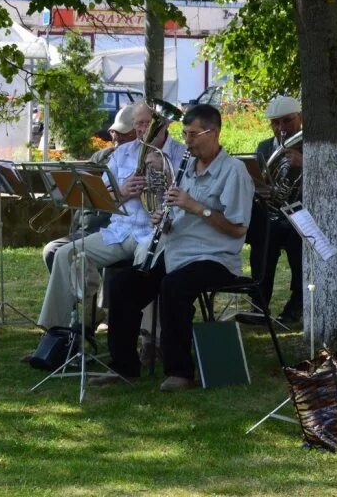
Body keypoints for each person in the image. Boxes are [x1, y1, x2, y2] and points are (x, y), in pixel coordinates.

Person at [90, 104, 254, 391]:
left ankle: (180, 371)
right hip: (178, 251)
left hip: (215, 257)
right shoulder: (188, 168)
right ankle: (124, 367)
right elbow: (180, 212)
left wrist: (195, 207)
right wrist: (164, 219)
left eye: (193, 135)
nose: (187, 142)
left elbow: (238, 227)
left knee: (173, 286)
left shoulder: (233, 171)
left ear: (213, 133)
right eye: (185, 134)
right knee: (124, 283)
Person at [26, 102, 185, 348]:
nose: (143, 130)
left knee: (147, 266)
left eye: (147, 123)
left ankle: (149, 340)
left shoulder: (181, 154)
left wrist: (164, 172)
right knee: (66, 254)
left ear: (164, 124)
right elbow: (101, 198)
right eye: (138, 124)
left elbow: (189, 197)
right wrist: (122, 192)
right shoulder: (121, 154)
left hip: (155, 232)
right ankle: (55, 336)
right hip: (120, 232)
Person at [40, 104, 138, 272]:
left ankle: (92, 295)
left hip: (113, 231)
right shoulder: (102, 156)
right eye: (115, 133)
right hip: (85, 229)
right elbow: (81, 187)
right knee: (52, 250)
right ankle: (78, 295)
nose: (117, 138)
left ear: (138, 133)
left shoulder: (142, 160)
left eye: (124, 134)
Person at [240, 95, 303, 324]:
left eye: (287, 121)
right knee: (261, 243)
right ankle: (259, 303)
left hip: (300, 214)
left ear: (300, 118)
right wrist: (260, 191)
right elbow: (256, 181)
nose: (282, 128)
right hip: (272, 214)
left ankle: (297, 303)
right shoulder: (265, 147)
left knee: (298, 246)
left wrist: (305, 163)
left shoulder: (311, 147)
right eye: (276, 123)